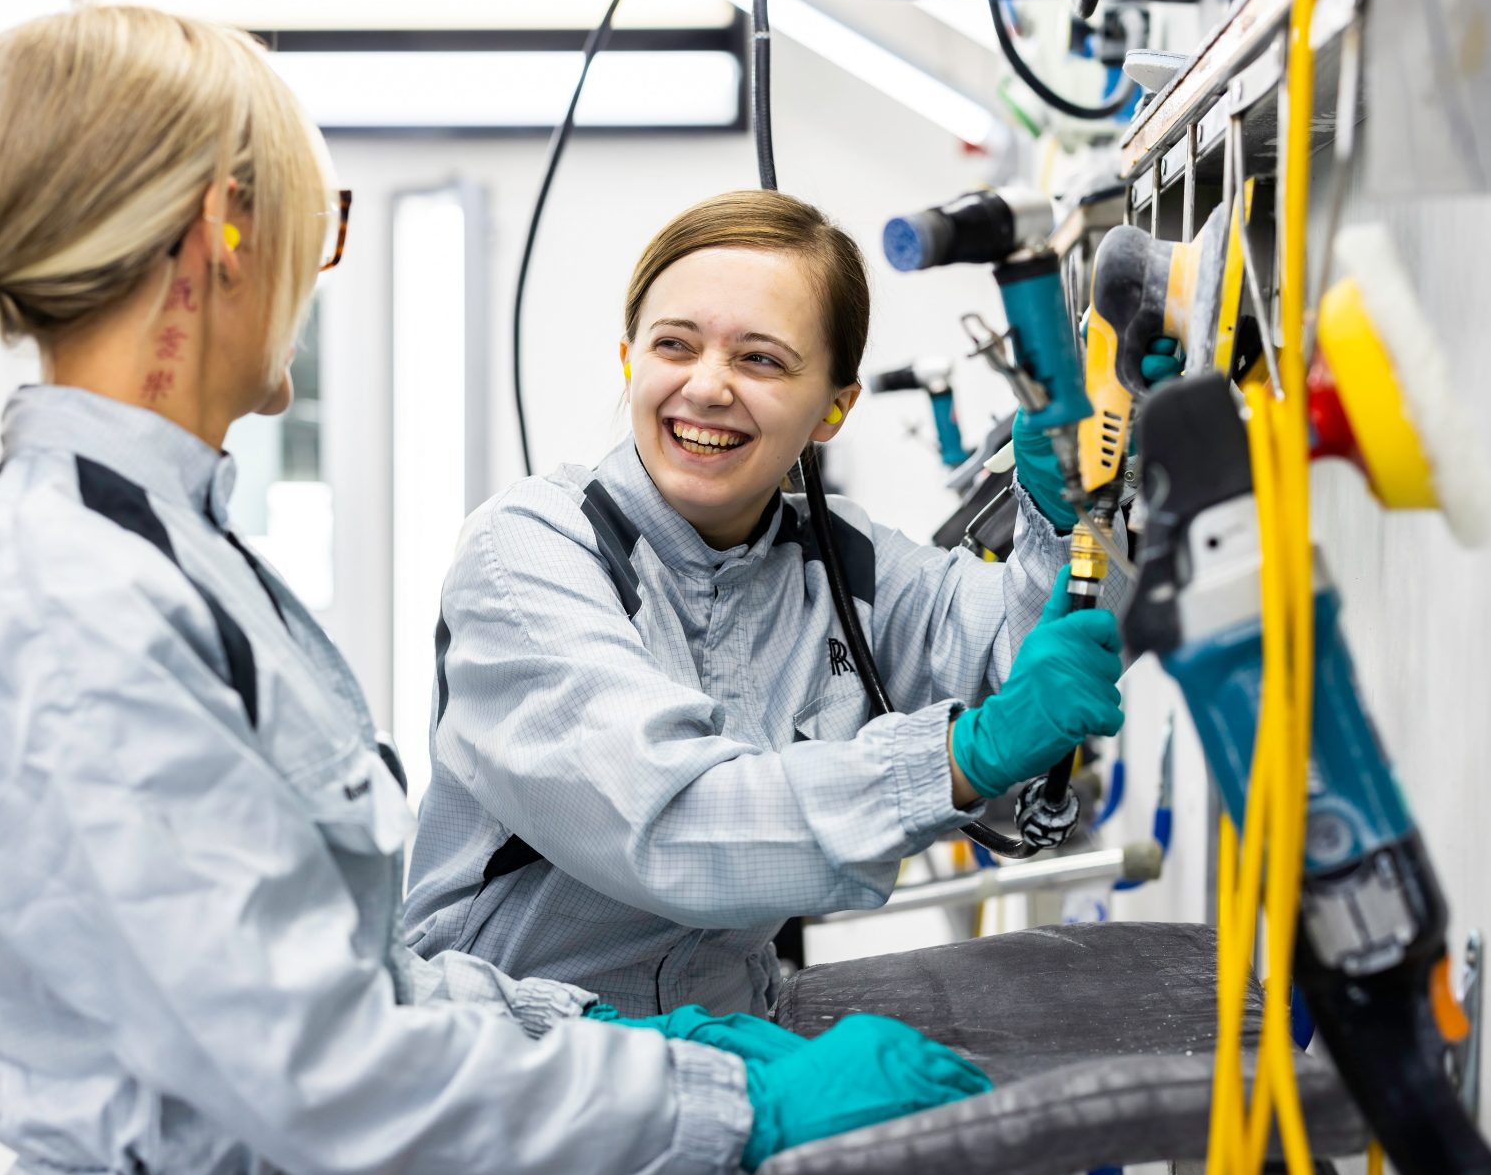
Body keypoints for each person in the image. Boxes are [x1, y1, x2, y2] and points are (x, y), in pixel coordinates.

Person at [0, 8, 990, 1175]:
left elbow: (367, 978)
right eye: (323, 225)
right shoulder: (78, 607)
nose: (318, 272)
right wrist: (715, 1101)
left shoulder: (163, 555)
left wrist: (653, 1046)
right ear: (226, 233)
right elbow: (323, 1066)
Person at [403, 190, 1128, 1019]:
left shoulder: (843, 562)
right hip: (513, 1049)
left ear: (834, 407)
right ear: (629, 359)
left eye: (761, 360)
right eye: (674, 345)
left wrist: (1063, 512)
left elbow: (1021, 657)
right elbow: (672, 827)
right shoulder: (530, 549)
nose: (707, 387)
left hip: (733, 1026)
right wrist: (956, 760)